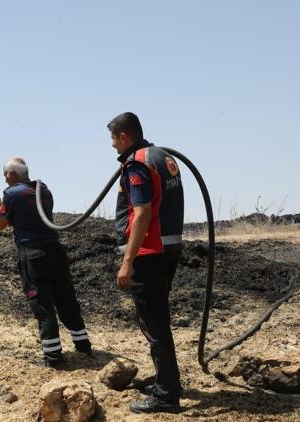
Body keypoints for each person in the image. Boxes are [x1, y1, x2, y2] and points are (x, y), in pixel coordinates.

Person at [108, 112, 184, 413]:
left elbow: (141, 214)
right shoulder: (163, 157)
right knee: (158, 321)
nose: (113, 147)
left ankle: (166, 396)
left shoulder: (137, 163)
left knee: (154, 325)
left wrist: (127, 262)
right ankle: (169, 382)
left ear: (123, 136)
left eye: (113, 140)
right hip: (168, 249)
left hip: (148, 255)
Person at [0, 158, 92, 366]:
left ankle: (53, 357)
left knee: (42, 305)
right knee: (66, 300)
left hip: (33, 254)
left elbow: (0, 224)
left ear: (13, 174)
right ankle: (84, 346)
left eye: (5, 174)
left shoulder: (11, 194)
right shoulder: (43, 190)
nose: (4, 178)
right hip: (55, 251)